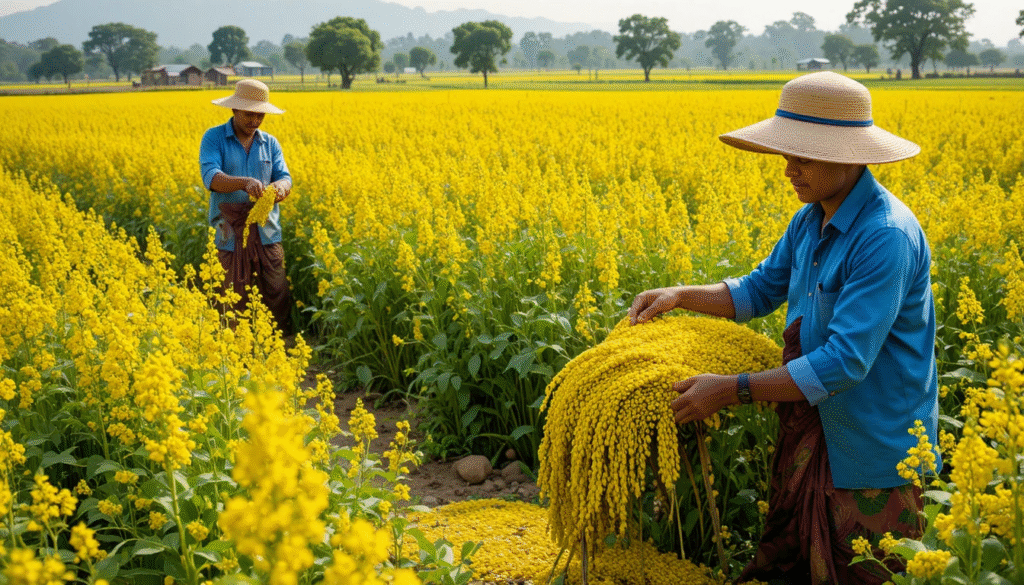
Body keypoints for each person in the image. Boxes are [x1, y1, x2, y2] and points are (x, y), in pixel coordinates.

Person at [628, 72, 940, 584]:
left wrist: (730, 390)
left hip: (874, 451)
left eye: (804, 157)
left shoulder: (884, 236)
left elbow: (844, 362)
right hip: (816, 431)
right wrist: (680, 295)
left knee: (868, 572)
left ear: (848, 156)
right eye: (786, 155)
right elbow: (757, 291)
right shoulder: (810, 220)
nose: (789, 169)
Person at [199, 79, 293, 333]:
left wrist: (281, 187)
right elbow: (211, 178)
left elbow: (284, 177)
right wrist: (244, 183)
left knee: (275, 290)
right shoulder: (214, 138)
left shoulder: (270, 143)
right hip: (228, 234)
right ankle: (233, 345)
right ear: (234, 110)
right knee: (231, 292)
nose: (255, 120)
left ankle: (277, 343)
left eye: (260, 115)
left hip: (267, 232)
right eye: (249, 114)